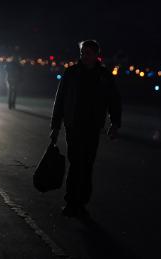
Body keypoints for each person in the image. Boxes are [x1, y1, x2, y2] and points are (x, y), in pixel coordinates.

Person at [50, 40, 122, 218]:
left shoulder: (104, 75)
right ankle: (71, 202)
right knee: (76, 164)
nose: (84, 55)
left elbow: (114, 100)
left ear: (97, 54)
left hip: (93, 127)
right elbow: (60, 100)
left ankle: (82, 202)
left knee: (87, 165)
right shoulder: (71, 73)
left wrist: (115, 123)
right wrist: (55, 126)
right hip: (73, 125)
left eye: (88, 52)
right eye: (83, 52)